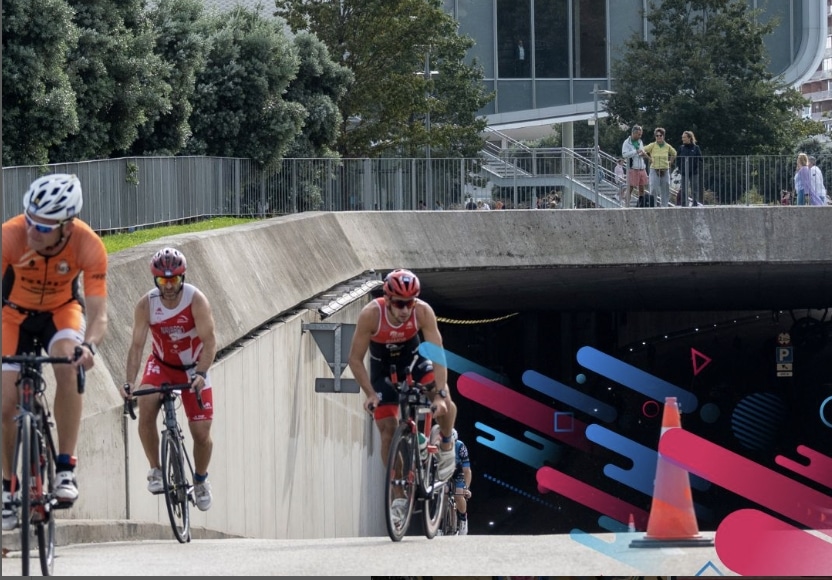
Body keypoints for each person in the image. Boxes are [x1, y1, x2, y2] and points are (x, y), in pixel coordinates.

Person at [2, 174, 108, 530]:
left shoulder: (88, 244)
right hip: (12, 315)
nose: (32, 230)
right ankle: (7, 487)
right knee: (5, 401)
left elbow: (98, 314)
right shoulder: (10, 236)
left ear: (66, 226)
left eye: (43, 226)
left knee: (68, 363)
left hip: (61, 312)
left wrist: (89, 347)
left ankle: (65, 468)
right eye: (30, 219)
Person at [347, 269, 458, 520]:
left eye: (410, 303)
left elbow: (438, 352)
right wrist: (370, 394)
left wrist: (440, 393)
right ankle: (398, 495)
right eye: (399, 304)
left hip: (414, 360)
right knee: (387, 430)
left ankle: (447, 440)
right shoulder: (371, 315)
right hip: (383, 368)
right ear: (387, 300)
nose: (405, 309)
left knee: (445, 401)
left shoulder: (422, 312)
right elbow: (354, 359)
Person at [120, 247, 217, 511]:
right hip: (161, 365)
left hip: (193, 368)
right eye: (163, 281)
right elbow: (137, 347)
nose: (169, 286)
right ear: (156, 280)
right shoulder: (146, 305)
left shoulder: (196, 301)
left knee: (201, 433)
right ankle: (155, 469)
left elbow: (210, 343)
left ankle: (199, 480)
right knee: (147, 406)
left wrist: (201, 372)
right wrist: (129, 382)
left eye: (174, 279)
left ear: (182, 277)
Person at [643, 127, 677, 208]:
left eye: (660, 135)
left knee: (665, 188)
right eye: (657, 135)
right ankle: (653, 205)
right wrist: (649, 158)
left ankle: (664, 206)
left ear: (663, 136)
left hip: (665, 169)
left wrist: (670, 162)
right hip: (654, 169)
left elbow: (674, 153)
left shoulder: (667, 146)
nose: (658, 137)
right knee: (653, 187)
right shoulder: (652, 145)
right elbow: (643, 150)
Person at [449, 429, 472, 535]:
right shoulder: (439, 444)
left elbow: (467, 470)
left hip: (458, 472)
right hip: (443, 472)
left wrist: (466, 488)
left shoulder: (461, 446)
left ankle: (463, 519)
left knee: (459, 494)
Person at [621, 125, 649, 207]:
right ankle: (626, 205)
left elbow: (642, 150)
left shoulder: (640, 142)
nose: (640, 136)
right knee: (631, 187)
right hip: (633, 168)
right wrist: (635, 151)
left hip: (641, 167)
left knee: (642, 187)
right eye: (638, 134)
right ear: (633, 133)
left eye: (641, 134)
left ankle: (641, 204)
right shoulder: (627, 142)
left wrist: (642, 153)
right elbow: (624, 154)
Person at [677, 131, 703, 206]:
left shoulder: (696, 148)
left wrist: (696, 166)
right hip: (684, 172)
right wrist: (680, 168)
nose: (683, 139)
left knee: (694, 189)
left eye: (684, 137)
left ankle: (695, 203)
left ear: (689, 138)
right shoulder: (681, 148)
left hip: (694, 172)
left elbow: (700, 159)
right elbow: (678, 159)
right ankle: (684, 204)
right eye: (682, 137)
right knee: (684, 189)